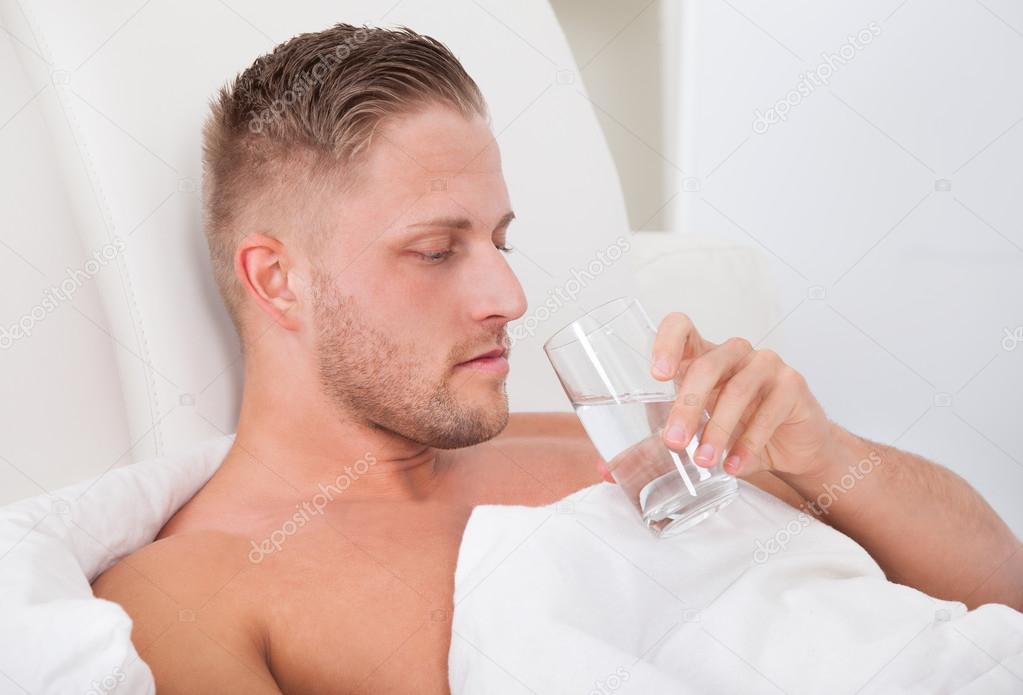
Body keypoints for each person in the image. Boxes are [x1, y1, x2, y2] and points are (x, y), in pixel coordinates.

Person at [91, 23, 1022, 694]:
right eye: (435, 249)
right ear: (278, 279)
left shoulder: (629, 450)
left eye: (500, 239)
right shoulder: (195, 593)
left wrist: (825, 454)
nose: (508, 295)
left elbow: (1000, 594)